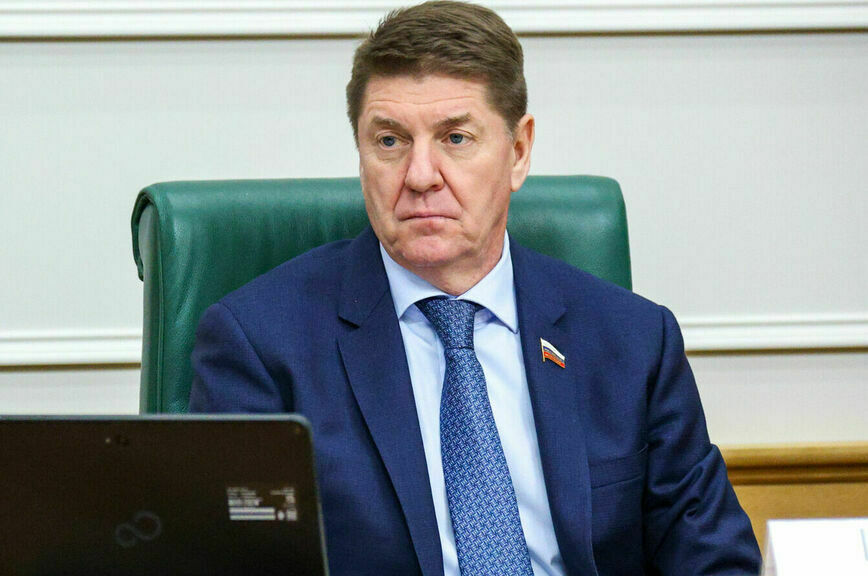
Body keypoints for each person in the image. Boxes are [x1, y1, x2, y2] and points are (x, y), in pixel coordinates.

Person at [189, 2, 762, 574]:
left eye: (456, 138)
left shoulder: (633, 339)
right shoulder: (259, 345)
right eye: (389, 141)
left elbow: (714, 560)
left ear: (518, 151)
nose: (420, 176)